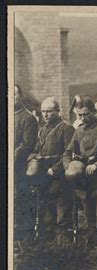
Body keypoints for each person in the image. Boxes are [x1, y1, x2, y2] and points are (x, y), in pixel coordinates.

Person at [63, 97, 97, 246]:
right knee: (89, 222)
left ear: (94, 111)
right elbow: (67, 152)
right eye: (80, 115)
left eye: (86, 114)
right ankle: (93, 256)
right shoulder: (79, 130)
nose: (83, 118)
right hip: (84, 182)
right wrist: (70, 167)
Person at [31, 97, 75, 243]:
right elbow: (38, 150)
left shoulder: (66, 128)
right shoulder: (42, 130)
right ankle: (48, 246)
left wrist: (55, 170)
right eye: (43, 111)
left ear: (58, 111)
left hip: (60, 176)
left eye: (49, 111)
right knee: (47, 212)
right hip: (45, 176)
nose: (45, 114)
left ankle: (64, 246)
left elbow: (69, 154)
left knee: (62, 212)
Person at [14, 84, 38, 239]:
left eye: (14, 94)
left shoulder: (27, 118)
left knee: (21, 197)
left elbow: (27, 143)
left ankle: (25, 233)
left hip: (20, 165)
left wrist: (12, 157)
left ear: (20, 96)